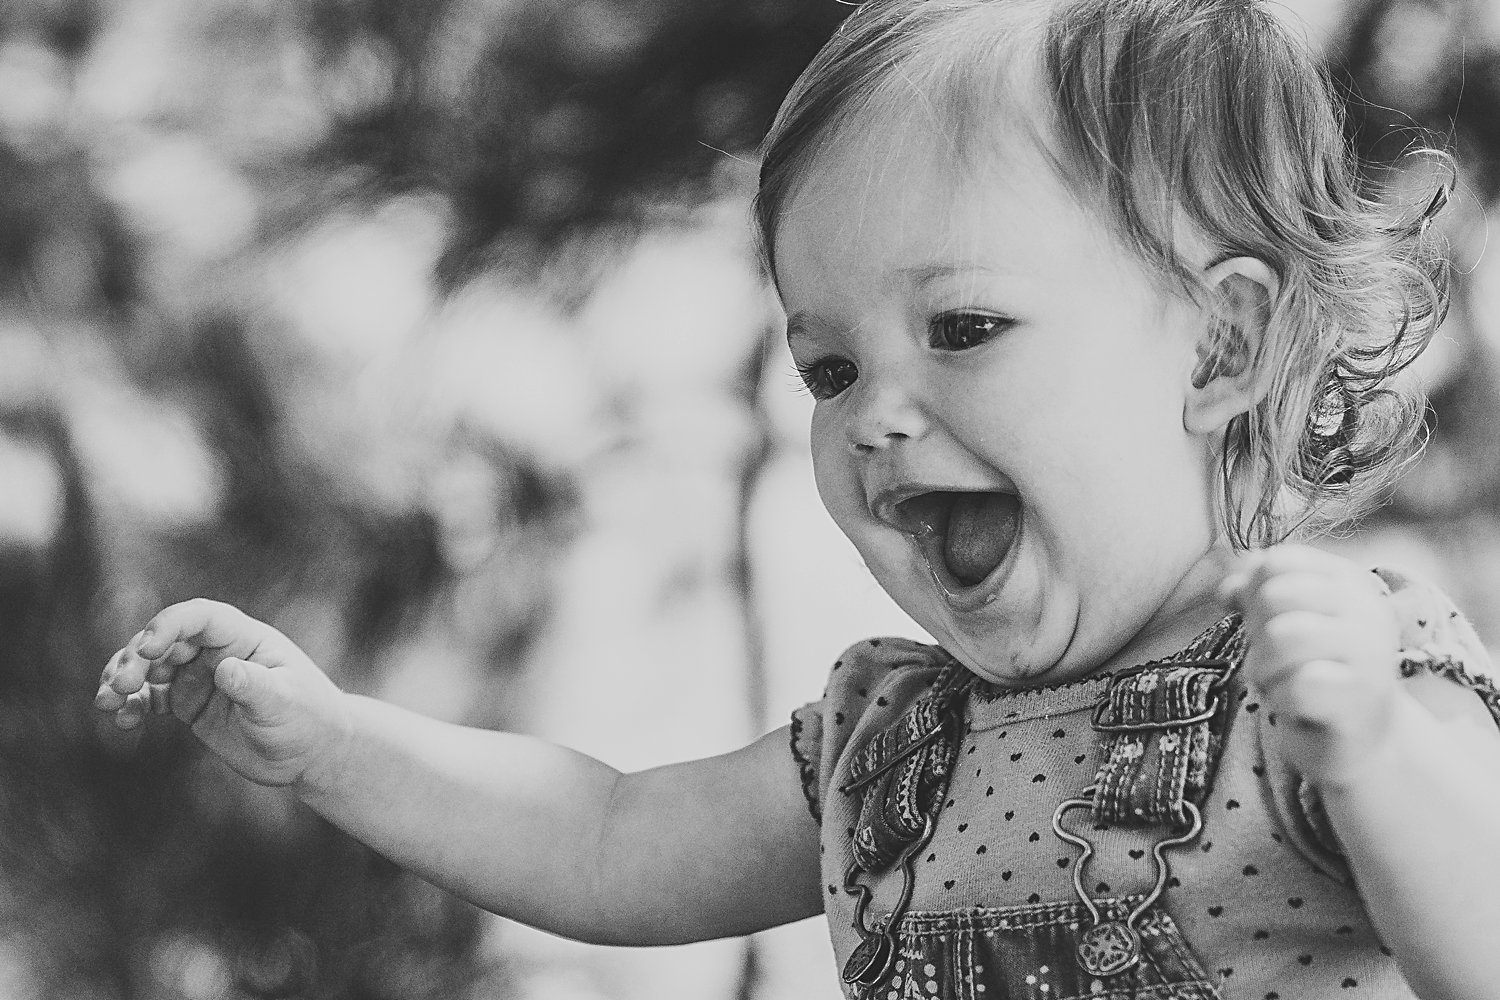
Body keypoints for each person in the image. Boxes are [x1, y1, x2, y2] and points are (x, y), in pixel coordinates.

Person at [96, 0, 1500, 997]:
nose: (874, 417)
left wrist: (1372, 751)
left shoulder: (1332, 674)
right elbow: (605, 837)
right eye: (829, 365)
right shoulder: (889, 746)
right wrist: (339, 748)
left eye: (962, 330)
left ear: (1222, 346)